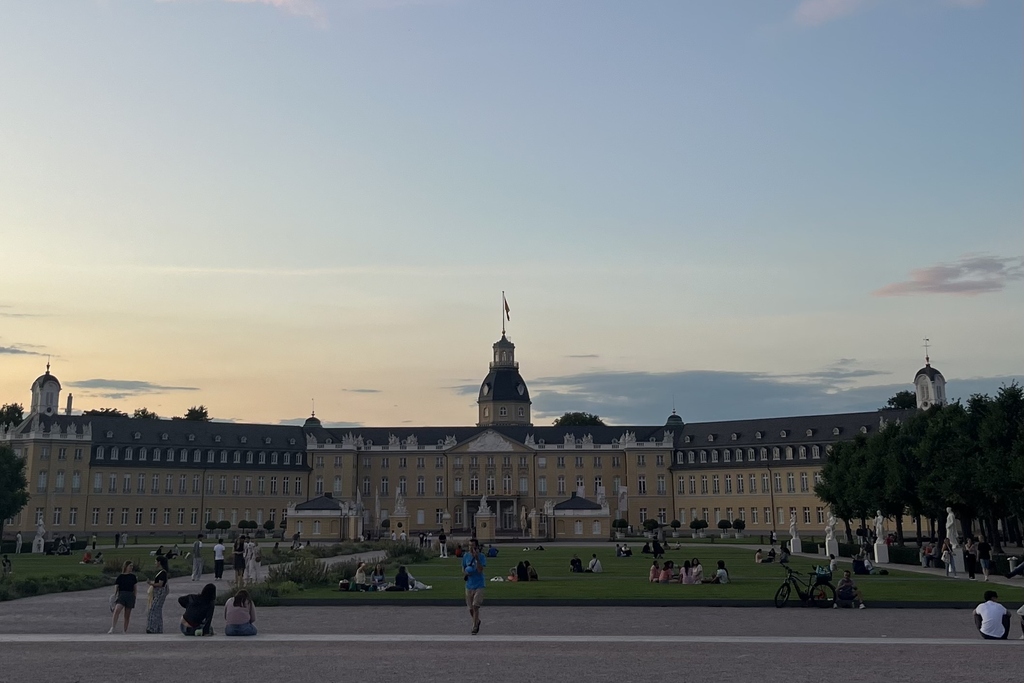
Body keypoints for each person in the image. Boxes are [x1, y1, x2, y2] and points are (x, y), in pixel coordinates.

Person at [462, 540, 487, 635]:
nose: (470, 547)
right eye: (469, 545)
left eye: (472, 546)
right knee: (470, 608)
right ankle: (477, 620)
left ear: (476, 547)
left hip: (479, 584)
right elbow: (463, 568)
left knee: (475, 606)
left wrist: (477, 558)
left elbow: (480, 570)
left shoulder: (481, 557)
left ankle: (474, 626)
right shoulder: (466, 556)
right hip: (469, 585)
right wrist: (465, 573)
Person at [108, 561, 138, 634]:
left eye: (132, 566)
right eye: (130, 566)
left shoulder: (133, 577)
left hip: (130, 595)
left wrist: (135, 597)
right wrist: (115, 596)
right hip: (122, 595)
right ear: (126, 566)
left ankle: (124, 630)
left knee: (127, 615)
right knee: (117, 610)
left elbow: (135, 588)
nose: (131, 568)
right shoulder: (120, 577)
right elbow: (116, 587)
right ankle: (113, 627)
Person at [146, 556, 170, 634]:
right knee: (158, 610)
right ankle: (158, 628)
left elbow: (160, 584)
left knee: (153, 609)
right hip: (159, 593)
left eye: (156, 561)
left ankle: (152, 627)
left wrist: (151, 583)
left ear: (159, 562)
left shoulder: (163, 572)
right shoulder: (162, 572)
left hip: (159, 593)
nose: (155, 563)